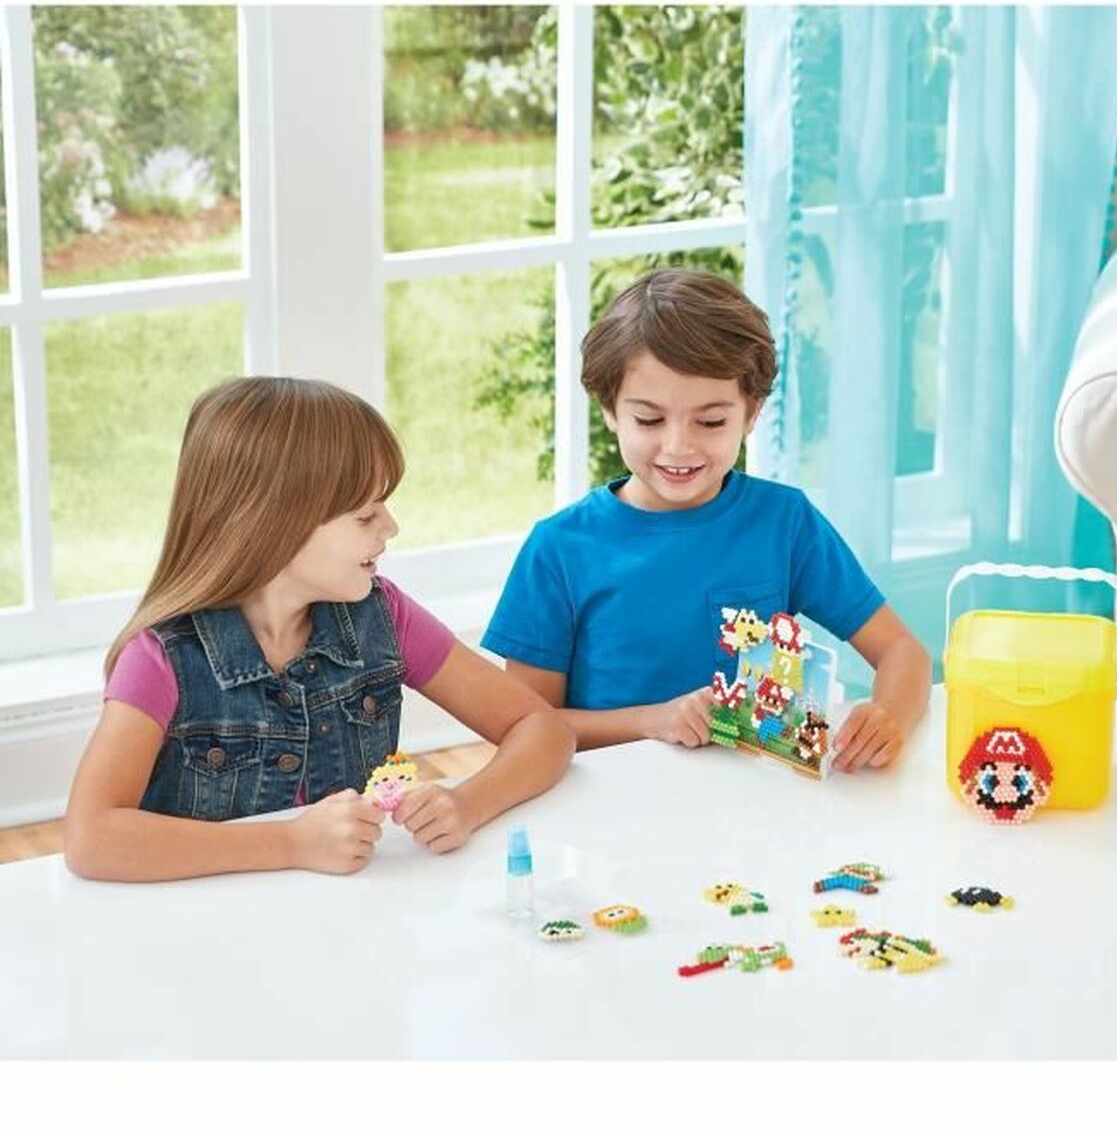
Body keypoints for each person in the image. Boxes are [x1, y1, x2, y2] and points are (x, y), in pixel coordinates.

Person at [64, 377, 575, 882]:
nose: (390, 526)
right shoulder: (161, 657)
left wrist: (467, 804)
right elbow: (91, 839)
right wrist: (291, 843)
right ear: (273, 526)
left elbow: (543, 729)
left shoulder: (384, 615)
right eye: (365, 515)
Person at [482, 269, 930, 770]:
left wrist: (889, 715)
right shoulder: (559, 549)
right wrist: (653, 720)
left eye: (712, 421)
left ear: (751, 413)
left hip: (756, 794)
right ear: (610, 409)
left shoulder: (784, 522)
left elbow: (902, 650)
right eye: (649, 420)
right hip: (616, 798)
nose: (678, 446)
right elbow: (526, 726)